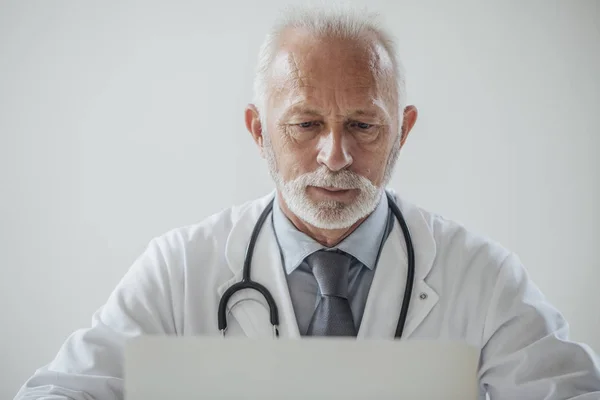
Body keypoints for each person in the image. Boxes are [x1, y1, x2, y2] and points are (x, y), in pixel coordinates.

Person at [15, 5, 600, 400]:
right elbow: (62, 391)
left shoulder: (483, 277)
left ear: (404, 129)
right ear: (257, 129)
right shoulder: (178, 268)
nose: (335, 156)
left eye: (365, 126)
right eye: (306, 123)